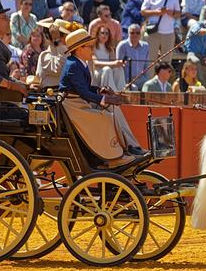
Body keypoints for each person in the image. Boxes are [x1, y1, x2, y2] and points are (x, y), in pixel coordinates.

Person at [59, 28, 148, 167]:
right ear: (79, 49)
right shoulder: (73, 66)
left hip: (80, 102)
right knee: (105, 117)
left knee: (114, 110)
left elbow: (86, 89)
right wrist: (104, 99)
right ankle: (114, 157)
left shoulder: (80, 63)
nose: (92, 50)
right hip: (73, 106)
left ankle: (130, 146)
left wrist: (100, 89)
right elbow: (83, 92)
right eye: (89, 47)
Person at [141, 0, 180, 64]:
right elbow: (143, 11)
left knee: (166, 63)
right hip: (153, 32)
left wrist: (169, 12)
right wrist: (156, 12)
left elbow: (178, 13)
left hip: (168, 33)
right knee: (150, 61)